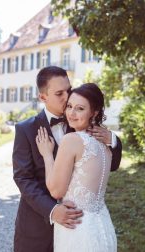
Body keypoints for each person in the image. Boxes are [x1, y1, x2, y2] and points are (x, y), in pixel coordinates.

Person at [12, 66, 122, 252]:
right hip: (38, 226)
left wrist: (113, 140)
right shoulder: (26, 129)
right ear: (43, 97)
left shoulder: (81, 122)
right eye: (59, 93)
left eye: (68, 90)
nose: (67, 97)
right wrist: (53, 211)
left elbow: (111, 164)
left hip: (79, 229)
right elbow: (23, 178)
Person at [36, 83, 117, 251]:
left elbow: (56, 191)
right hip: (102, 226)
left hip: (77, 229)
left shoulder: (71, 140)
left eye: (80, 109)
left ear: (94, 112)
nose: (71, 113)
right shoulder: (106, 143)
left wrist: (47, 154)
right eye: (69, 106)